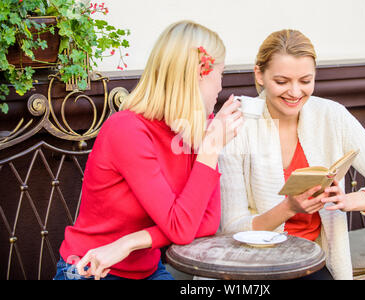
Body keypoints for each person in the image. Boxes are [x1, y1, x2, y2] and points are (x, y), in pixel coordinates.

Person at [218, 29, 365, 280]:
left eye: (305, 80)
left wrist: (348, 201)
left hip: (312, 263)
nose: (295, 92)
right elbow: (231, 230)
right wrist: (288, 208)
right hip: (255, 266)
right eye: (281, 81)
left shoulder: (332, 116)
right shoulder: (238, 124)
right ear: (259, 75)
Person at [54, 20, 243, 280]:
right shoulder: (127, 129)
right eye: (220, 74)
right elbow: (181, 228)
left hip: (148, 271)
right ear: (202, 70)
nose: (221, 87)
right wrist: (210, 148)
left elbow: (207, 222)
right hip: (93, 270)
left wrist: (129, 243)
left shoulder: (195, 131)